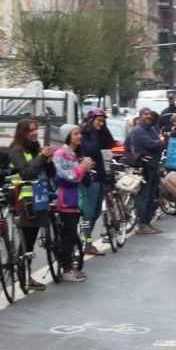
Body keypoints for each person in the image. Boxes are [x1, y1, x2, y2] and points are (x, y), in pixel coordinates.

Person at [6, 118, 54, 291]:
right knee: (26, 238)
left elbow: (50, 173)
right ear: (22, 133)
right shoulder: (15, 150)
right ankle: (22, 275)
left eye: (35, 129)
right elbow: (26, 173)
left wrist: (48, 159)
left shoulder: (36, 148)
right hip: (23, 199)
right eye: (30, 130)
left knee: (31, 239)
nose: (34, 132)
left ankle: (24, 273)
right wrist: (41, 157)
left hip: (38, 197)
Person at [52, 124, 94, 281]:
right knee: (68, 235)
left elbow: (80, 178)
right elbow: (66, 177)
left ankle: (70, 265)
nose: (80, 136)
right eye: (76, 134)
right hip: (66, 200)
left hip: (76, 199)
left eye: (80, 133)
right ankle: (67, 268)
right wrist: (82, 168)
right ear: (68, 136)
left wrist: (86, 168)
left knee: (71, 234)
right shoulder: (61, 153)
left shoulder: (75, 154)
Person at [77, 108, 115, 257]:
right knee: (89, 211)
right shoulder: (84, 134)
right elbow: (89, 149)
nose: (101, 123)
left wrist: (102, 130)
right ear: (91, 120)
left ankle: (86, 239)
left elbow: (109, 145)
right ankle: (86, 242)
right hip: (89, 177)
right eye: (98, 120)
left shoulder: (101, 132)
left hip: (100, 175)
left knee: (97, 211)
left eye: (103, 121)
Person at [129, 109, 163, 235]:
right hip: (144, 168)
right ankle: (142, 224)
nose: (148, 116)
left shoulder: (151, 129)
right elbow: (152, 144)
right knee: (144, 196)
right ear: (140, 117)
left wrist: (158, 142)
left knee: (152, 196)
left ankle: (147, 222)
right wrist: (159, 142)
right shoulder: (139, 131)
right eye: (145, 114)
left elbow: (158, 143)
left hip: (153, 166)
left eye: (149, 114)